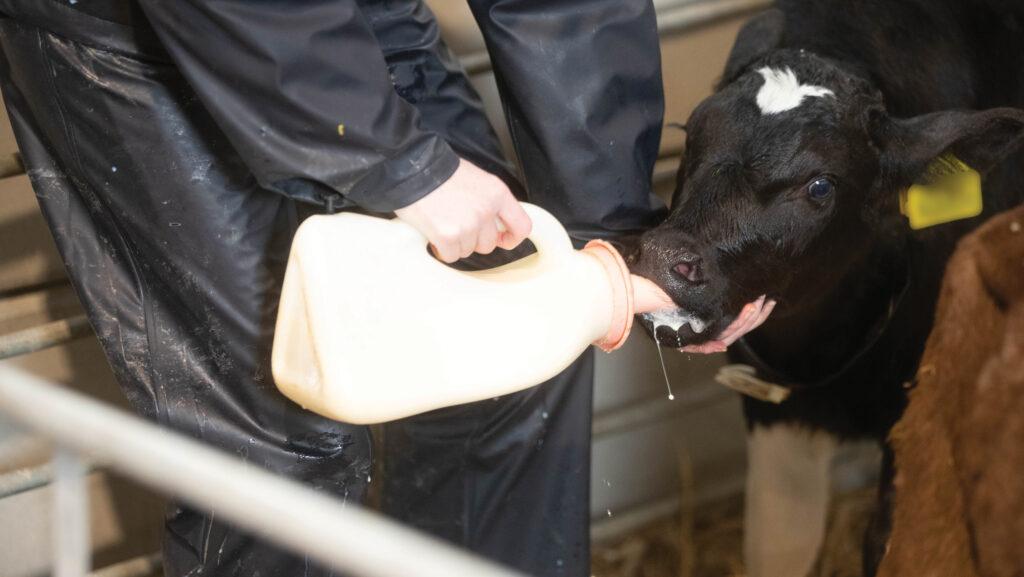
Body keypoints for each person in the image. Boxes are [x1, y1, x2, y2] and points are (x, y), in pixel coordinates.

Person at [0, 1, 666, 575]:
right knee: (278, 458)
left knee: (511, 346)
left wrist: (608, 237)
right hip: (127, 30)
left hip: (346, 14)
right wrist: (399, 163)